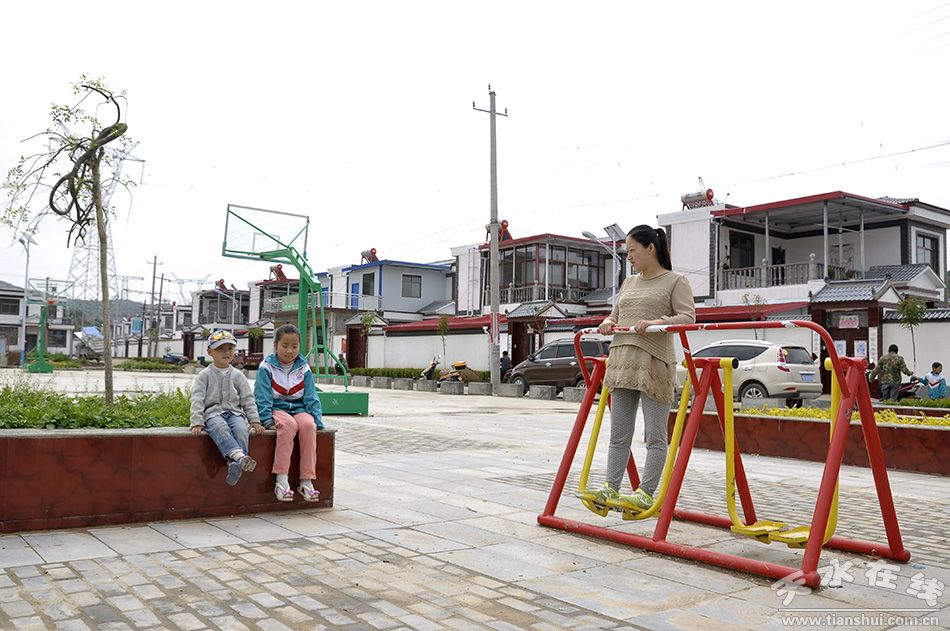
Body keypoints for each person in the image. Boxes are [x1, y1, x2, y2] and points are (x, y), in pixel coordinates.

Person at [592, 225, 695, 512]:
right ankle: (610, 486)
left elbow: (688, 317)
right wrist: (606, 323)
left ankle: (646, 492)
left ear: (651, 249)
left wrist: (657, 323)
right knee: (619, 434)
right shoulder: (628, 283)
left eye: (632, 251)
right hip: (623, 360)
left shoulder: (675, 281)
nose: (629, 257)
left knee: (655, 435)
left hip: (654, 361)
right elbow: (615, 315)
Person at [254, 324, 325, 502]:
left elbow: (311, 395)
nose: (289, 351)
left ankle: (307, 481)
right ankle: (282, 480)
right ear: (276, 345)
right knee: (288, 426)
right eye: (284, 346)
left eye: (294, 346)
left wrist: (317, 420)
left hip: (299, 408)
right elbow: (261, 396)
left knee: (309, 425)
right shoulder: (266, 367)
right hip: (278, 409)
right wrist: (265, 419)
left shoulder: (304, 367)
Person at [190, 330, 262, 486]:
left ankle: (236, 464)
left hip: (234, 413)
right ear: (210, 352)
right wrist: (197, 421)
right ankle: (241, 458)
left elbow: (247, 399)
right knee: (220, 427)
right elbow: (197, 399)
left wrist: (254, 420)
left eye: (230, 348)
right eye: (221, 349)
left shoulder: (238, 375)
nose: (226, 352)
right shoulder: (204, 375)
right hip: (213, 414)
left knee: (242, 429)